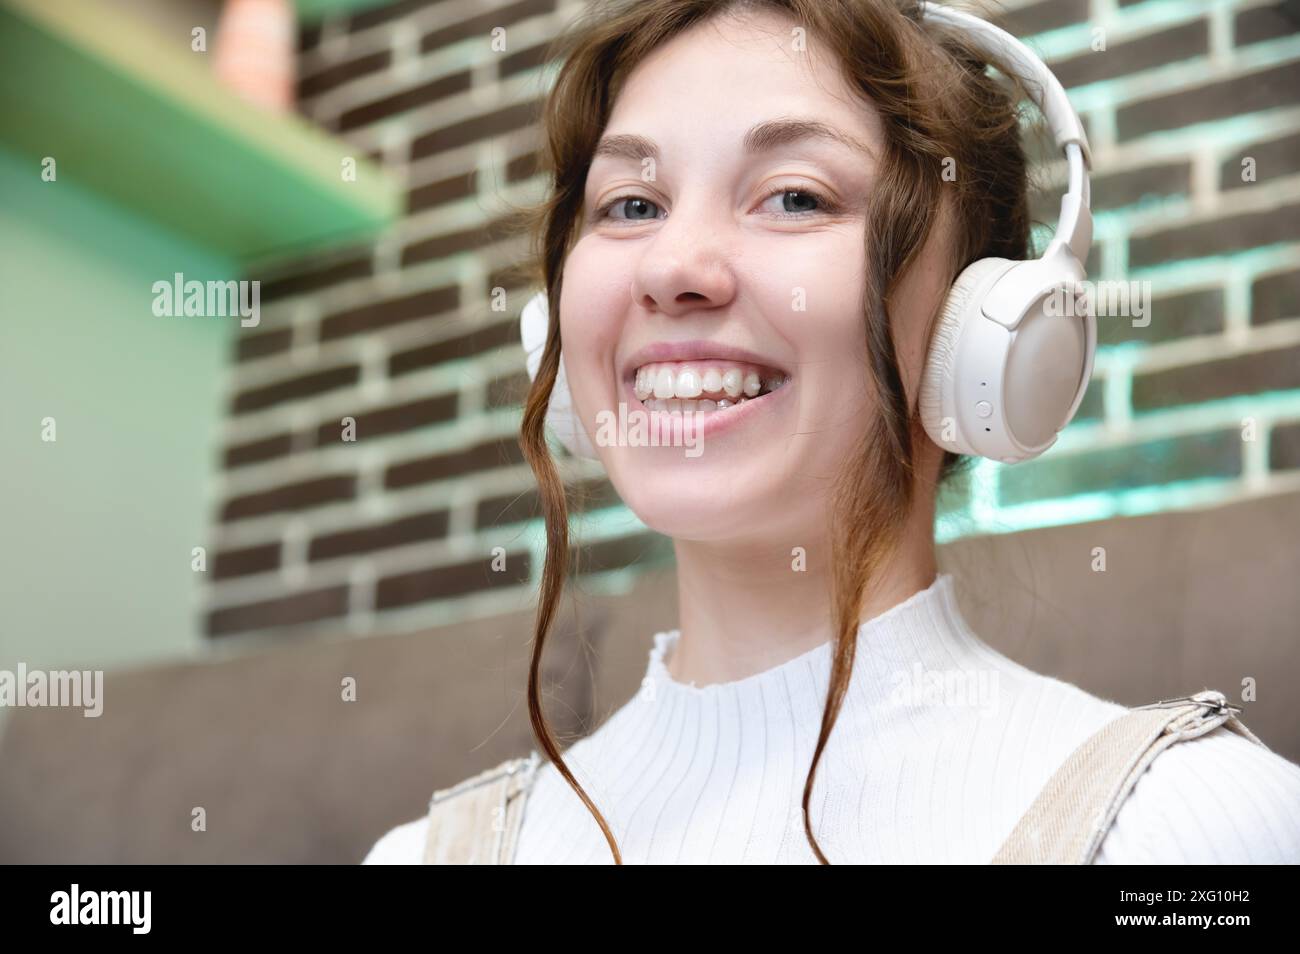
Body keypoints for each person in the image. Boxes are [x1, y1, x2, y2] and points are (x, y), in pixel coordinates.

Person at [364, 0, 1300, 864]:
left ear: (985, 335)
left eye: (796, 195)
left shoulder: (1191, 827)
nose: (672, 265)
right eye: (632, 205)